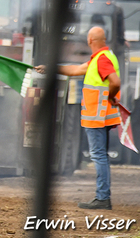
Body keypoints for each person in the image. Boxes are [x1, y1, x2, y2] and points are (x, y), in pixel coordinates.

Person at [35, 26, 121, 210]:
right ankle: (103, 196)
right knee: (101, 156)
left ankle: (102, 197)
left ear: (90, 40)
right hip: (101, 116)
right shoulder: (102, 58)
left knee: (99, 156)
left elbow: (115, 82)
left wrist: (111, 95)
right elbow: (75, 69)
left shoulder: (102, 59)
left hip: (97, 117)